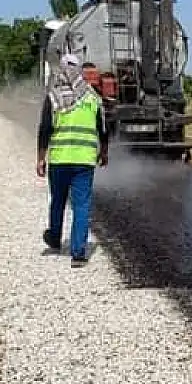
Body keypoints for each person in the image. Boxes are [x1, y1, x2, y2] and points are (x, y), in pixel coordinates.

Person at [37, 54, 109, 266]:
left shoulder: (53, 97)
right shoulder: (92, 97)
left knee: (58, 200)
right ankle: (78, 253)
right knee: (81, 205)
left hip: (59, 160)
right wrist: (104, 152)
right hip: (84, 162)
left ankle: (55, 239)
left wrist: (40, 158)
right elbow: (103, 129)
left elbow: (44, 130)